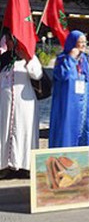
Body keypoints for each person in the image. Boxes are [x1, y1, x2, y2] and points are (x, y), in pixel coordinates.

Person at [0, 31, 43, 179]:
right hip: (5, 105)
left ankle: (26, 166)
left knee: (24, 132)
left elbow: (37, 74)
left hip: (25, 105)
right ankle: (4, 165)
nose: (9, 43)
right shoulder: (3, 59)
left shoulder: (29, 57)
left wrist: (27, 58)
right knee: (4, 132)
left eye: (11, 40)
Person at [49, 30, 89, 148]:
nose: (83, 45)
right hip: (68, 106)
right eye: (80, 42)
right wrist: (71, 58)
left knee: (85, 133)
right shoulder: (63, 59)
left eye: (84, 42)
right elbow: (62, 75)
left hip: (85, 105)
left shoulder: (87, 60)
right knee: (67, 133)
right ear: (72, 43)